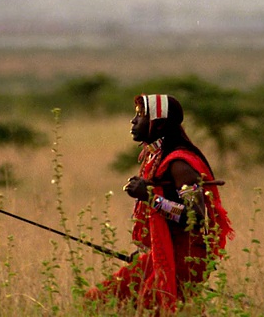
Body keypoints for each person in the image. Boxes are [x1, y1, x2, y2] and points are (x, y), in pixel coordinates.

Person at [85, 94, 234, 313]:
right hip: (163, 253)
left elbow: (195, 217)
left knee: (152, 308)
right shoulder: (155, 157)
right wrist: (149, 252)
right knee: (96, 301)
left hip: (187, 257)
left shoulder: (180, 163)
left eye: (141, 116)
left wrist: (150, 198)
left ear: (159, 124)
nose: (133, 121)